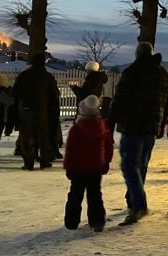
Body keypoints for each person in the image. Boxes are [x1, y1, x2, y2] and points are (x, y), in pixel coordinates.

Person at [110, 42, 168, 226]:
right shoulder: (163, 74)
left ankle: (138, 205)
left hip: (133, 124)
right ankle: (133, 199)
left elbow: (120, 98)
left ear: (137, 54)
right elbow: (167, 102)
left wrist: (110, 121)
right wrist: (160, 125)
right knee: (141, 165)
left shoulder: (132, 72)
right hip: (151, 126)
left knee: (129, 165)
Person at [63, 95, 113, 232]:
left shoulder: (77, 129)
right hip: (96, 168)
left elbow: (71, 151)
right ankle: (97, 222)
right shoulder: (102, 128)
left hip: (78, 168)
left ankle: (71, 222)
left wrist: (69, 167)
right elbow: (108, 146)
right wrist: (106, 162)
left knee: (75, 195)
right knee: (95, 195)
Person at [12, 53, 60, 170]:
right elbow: (54, 94)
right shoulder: (47, 76)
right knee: (43, 135)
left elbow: (15, 92)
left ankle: (28, 162)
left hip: (26, 108)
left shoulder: (24, 75)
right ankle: (44, 160)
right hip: (42, 109)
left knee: (26, 136)